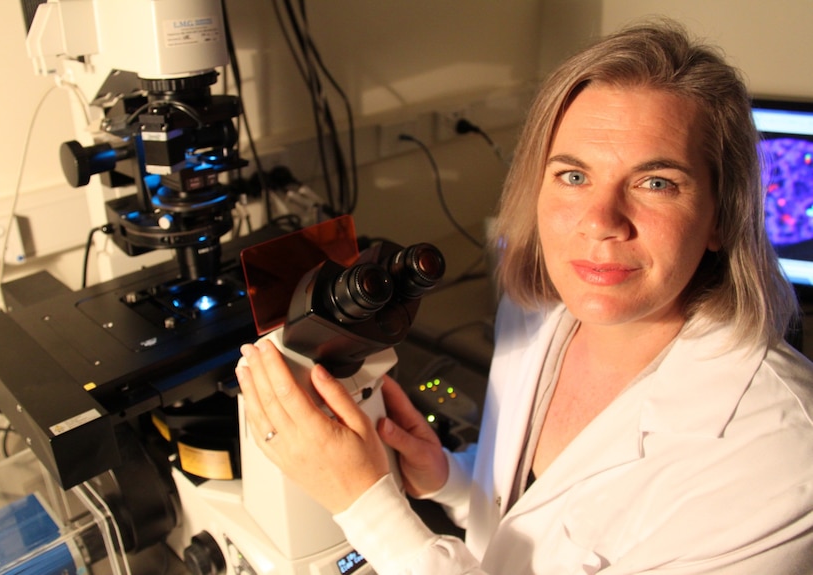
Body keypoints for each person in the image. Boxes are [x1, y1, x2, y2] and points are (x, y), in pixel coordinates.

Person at [237, 19, 813, 574]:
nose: (600, 222)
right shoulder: (539, 307)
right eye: (573, 175)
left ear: (722, 217)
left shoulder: (781, 460)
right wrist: (453, 481)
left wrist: (364, 502)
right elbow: (543, 522)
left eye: (655, 182)